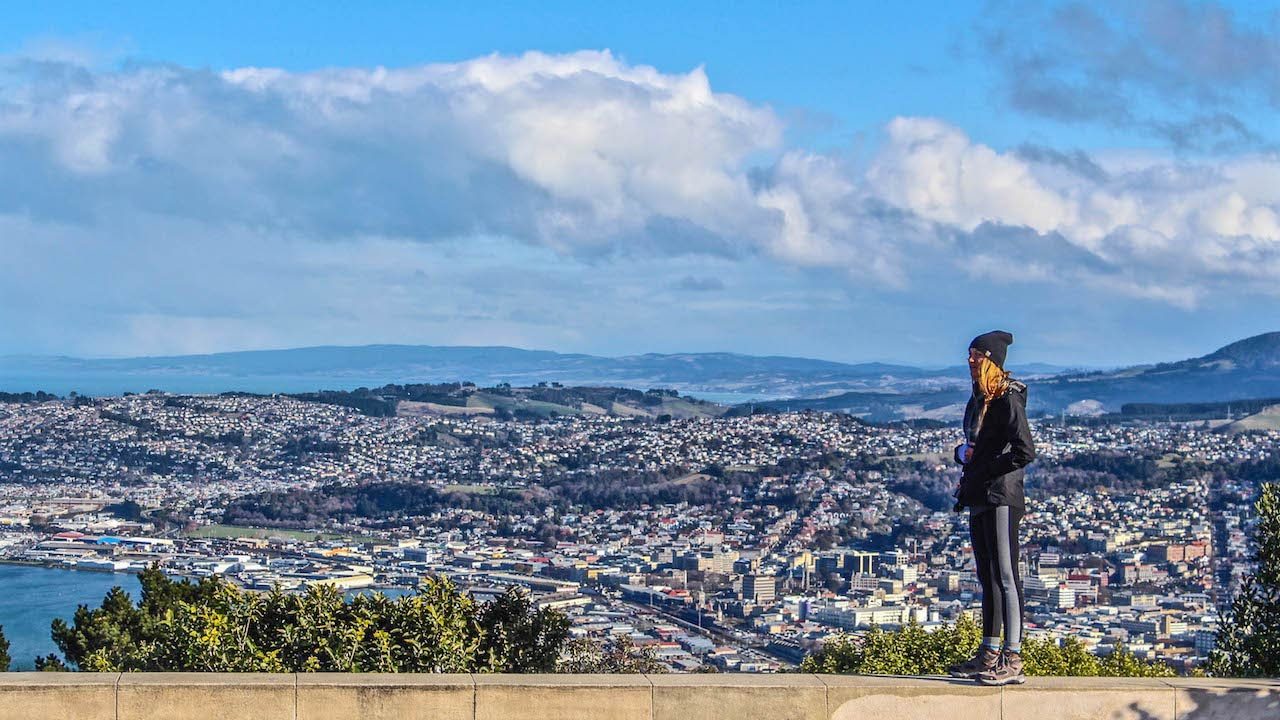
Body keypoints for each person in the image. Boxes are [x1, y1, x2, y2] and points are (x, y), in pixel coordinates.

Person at [946, 330, 1036, 685]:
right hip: (979, 494)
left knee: (1005, 574)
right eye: (969, 355)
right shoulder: (978, 400)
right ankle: (989, 652)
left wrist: (987, 467)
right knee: (987, 576)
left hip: (1001, 495)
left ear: (992, 359)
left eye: (976, 355)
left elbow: (1023, 451)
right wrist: (963, 456)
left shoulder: (1007, 399)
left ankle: (1012, 658)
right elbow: (973, 446)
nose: (970, 361)